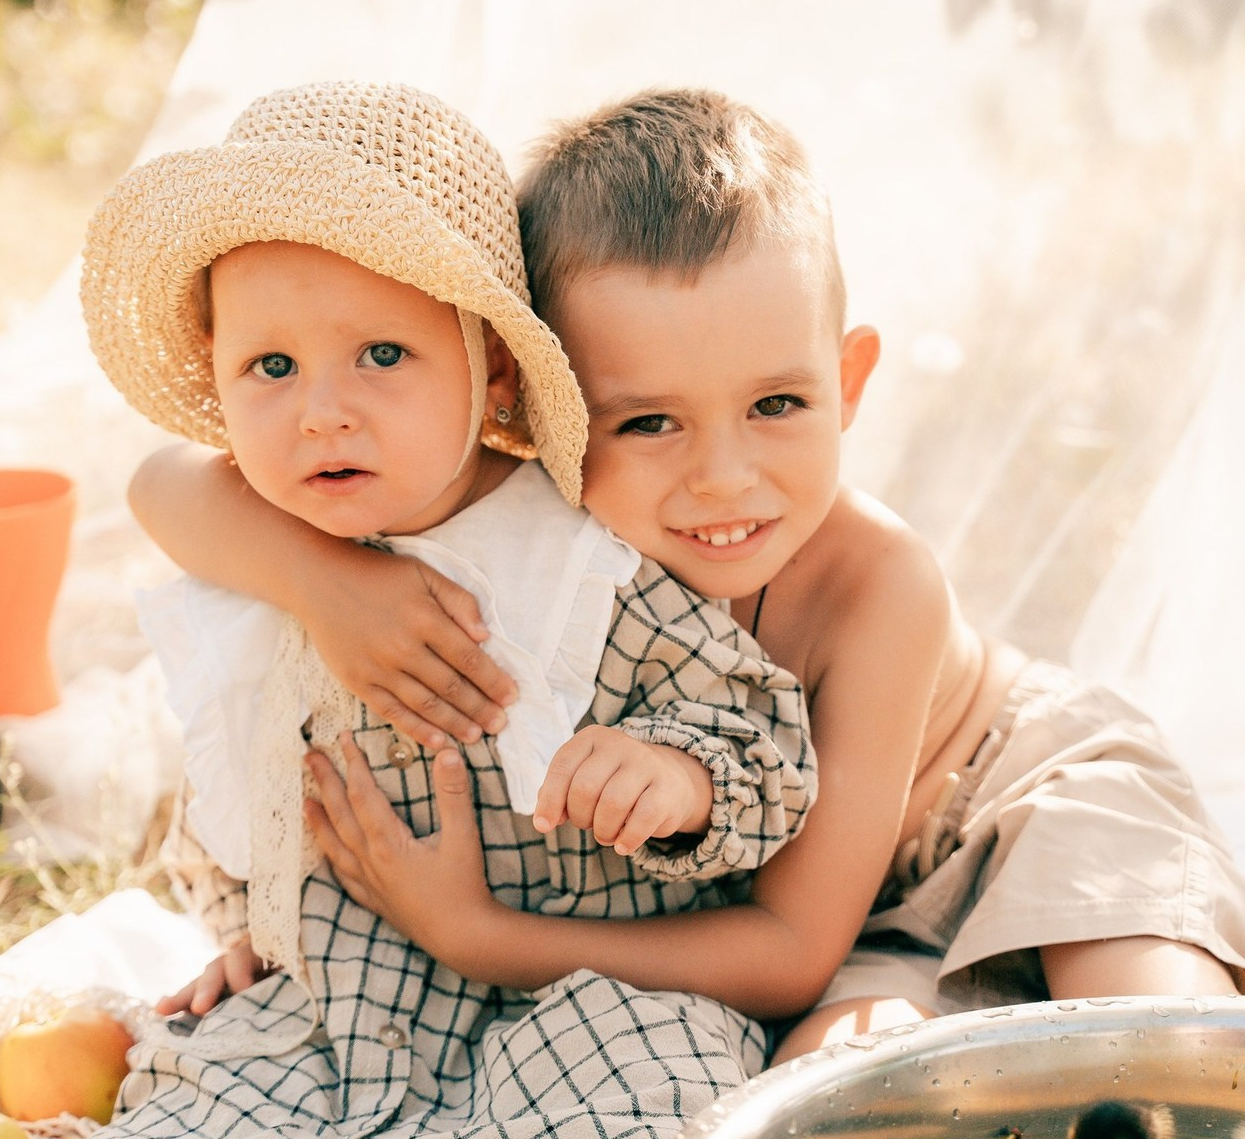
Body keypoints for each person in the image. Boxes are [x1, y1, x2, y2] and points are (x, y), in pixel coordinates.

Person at [129, 87, 1245, 1068]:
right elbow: (166, 485)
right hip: (826, 919)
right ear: (523, 399)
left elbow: (786, 944)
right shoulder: (532, 497)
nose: (723, 480)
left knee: (1155, 1025)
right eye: (649, 420)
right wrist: (328, 585)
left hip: (1008, 793)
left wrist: (477, 936)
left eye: (777, 404)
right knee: (829, 1092)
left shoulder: (876, 582)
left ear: (847, 379)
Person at [78, 80, 816, 1137]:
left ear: (497, 372)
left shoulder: (575, 562)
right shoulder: (265, 561)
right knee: (206, 1102)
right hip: (346, 1001)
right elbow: (236, 776)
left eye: (383, 355)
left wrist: (677, 774)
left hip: (582, 987)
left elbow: (764, 735)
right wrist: (251, 922)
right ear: (217, 377)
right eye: (269, 366)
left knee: (650, 1096)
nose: (323, 409)